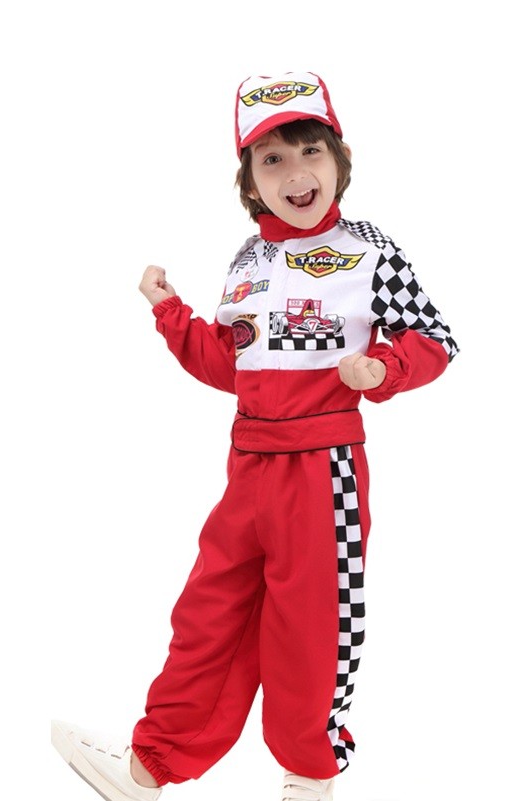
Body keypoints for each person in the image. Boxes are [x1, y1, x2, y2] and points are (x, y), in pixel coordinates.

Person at [51, 70, 458, 801]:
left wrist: (383, 368)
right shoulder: (248, 261)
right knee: (210, 613)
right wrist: (171, 312)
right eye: (272, 159)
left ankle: (309, 778)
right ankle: (150, 767)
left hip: (322, 469)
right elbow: (229, 364)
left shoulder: (370, 251)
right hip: (247, 467)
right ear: (250, 181)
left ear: (340, 159)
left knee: (311, 627)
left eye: (310, 150)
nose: (296, 173)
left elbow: (435, 339)